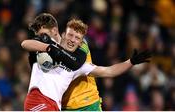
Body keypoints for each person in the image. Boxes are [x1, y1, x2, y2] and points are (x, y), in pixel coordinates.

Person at [22, 18, 152, 111]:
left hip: (67, 105)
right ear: (62, 34)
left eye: (77, 38)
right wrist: (50, 48)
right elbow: (25, 44)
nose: (72, 40)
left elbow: (109, 71)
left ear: (81, 43)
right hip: (39, 100)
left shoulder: (78, 63)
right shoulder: (47, 46)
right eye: (70, 35)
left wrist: (131, 62)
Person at [22, 13, 102, 111]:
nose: (41, 39)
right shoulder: (43, 51)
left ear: (55, 30)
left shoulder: (75, 43)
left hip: (87, 103)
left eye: (43, 35)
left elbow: (76, 63)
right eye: (39, 36)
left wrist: (55, 49)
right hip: (62, 105)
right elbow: (25, 44)